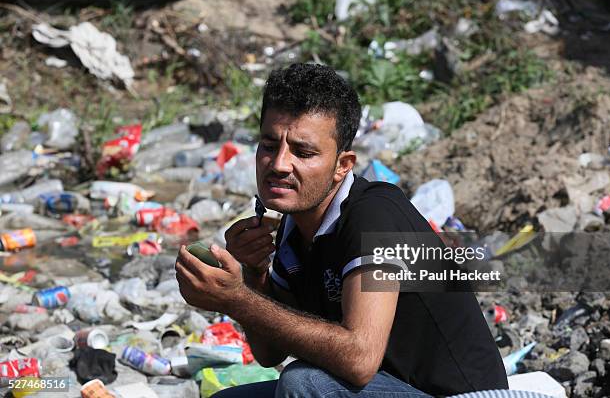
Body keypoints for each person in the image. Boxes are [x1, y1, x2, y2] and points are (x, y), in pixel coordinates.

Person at [175, 63, 508, 397]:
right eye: (269, 145)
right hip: (386, 388)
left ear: (342, 165)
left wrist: (238, 300)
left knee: (303, 382)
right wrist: (255, 272)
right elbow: (268, 354)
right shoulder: (295, 224)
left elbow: (359, 360)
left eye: (303, 152)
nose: (278, 164)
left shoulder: (373, 216)